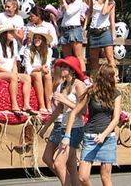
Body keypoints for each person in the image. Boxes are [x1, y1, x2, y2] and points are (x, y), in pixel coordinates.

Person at [62, 63, 121, 186]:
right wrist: (67, 136)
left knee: (105, 177)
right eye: (116, 76)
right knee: (82, 177)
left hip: (107, 138)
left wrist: (103, 135)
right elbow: (74, 113)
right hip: (90, 137)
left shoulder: (116, 94)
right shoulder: (91, 92)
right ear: (108, 77)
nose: (118, 79)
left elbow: (115, 119)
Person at [39, 56, 86, 186]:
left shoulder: (79, 85)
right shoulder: (62, 85)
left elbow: (83, 111)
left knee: (59, 163)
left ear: (73, 70)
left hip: (76, 129)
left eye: (65, 67)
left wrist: (65, 100)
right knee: (71, 168)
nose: (62, 69)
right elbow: (59, 110)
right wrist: (45, 127)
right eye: (62, 66)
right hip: (64, 128)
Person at [0, 24, 34, 116]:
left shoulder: (12, 46)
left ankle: (26, 104)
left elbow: (14, 64)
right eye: (10, 32)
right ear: (4, 34)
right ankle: (14, 104)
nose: (13, 34)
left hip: (9, 73)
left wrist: (15, 73)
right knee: (13, 76)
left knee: (27, 78)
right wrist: (11, 74)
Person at [88, 0, 117, 76]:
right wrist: (85, 26)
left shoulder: (111, 2)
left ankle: (114, 79)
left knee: (110, 58)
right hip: (93, 30)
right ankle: (95, 80)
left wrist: (113, 34)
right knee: (93, 59)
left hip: (104, 31)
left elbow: (107, 14)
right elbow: (90, 13)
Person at [59, 0, 86, 72]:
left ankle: (83, 77)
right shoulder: (67, 1)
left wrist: (64, 3)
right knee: (67, 57)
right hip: (64, 29)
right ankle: (68, 76)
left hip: (74, 29)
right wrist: (62, 4)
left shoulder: (79, 0)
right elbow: (60, 14)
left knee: (78, 56)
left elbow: (70, 12)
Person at [23, 31, 53, 112]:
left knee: (48, 76)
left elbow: (47, 66)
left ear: (43, 40)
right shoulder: (28, 50)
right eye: (35, 38)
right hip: (32, 73)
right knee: (37, 75)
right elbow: (28, 68)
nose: (36, 40)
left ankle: (49, 105)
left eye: (39, 38)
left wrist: (41, 69)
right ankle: (42, 105)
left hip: (42, 71)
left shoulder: (49, 50)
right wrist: (39, 68)